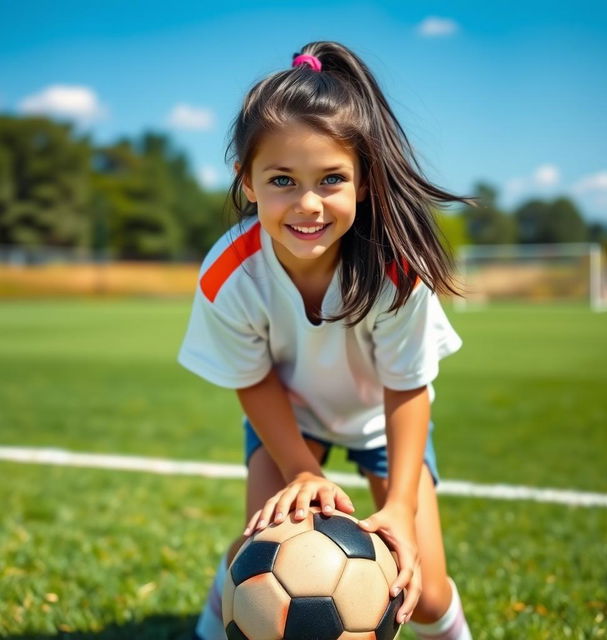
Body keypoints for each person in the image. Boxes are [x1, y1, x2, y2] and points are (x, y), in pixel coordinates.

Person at [178, 41, 476, 640]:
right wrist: (298, 470)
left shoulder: (396, 267)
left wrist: (397, 509)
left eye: (331, 179)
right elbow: (251, 377)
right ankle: (219, 613)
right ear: (249, 181)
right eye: (283, 179)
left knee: (420, 591)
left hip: (382, 421)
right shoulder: (229, 274)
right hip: (292, 415)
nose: (308, 204)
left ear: (364, 182)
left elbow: (407, 385)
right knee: (258, 549)